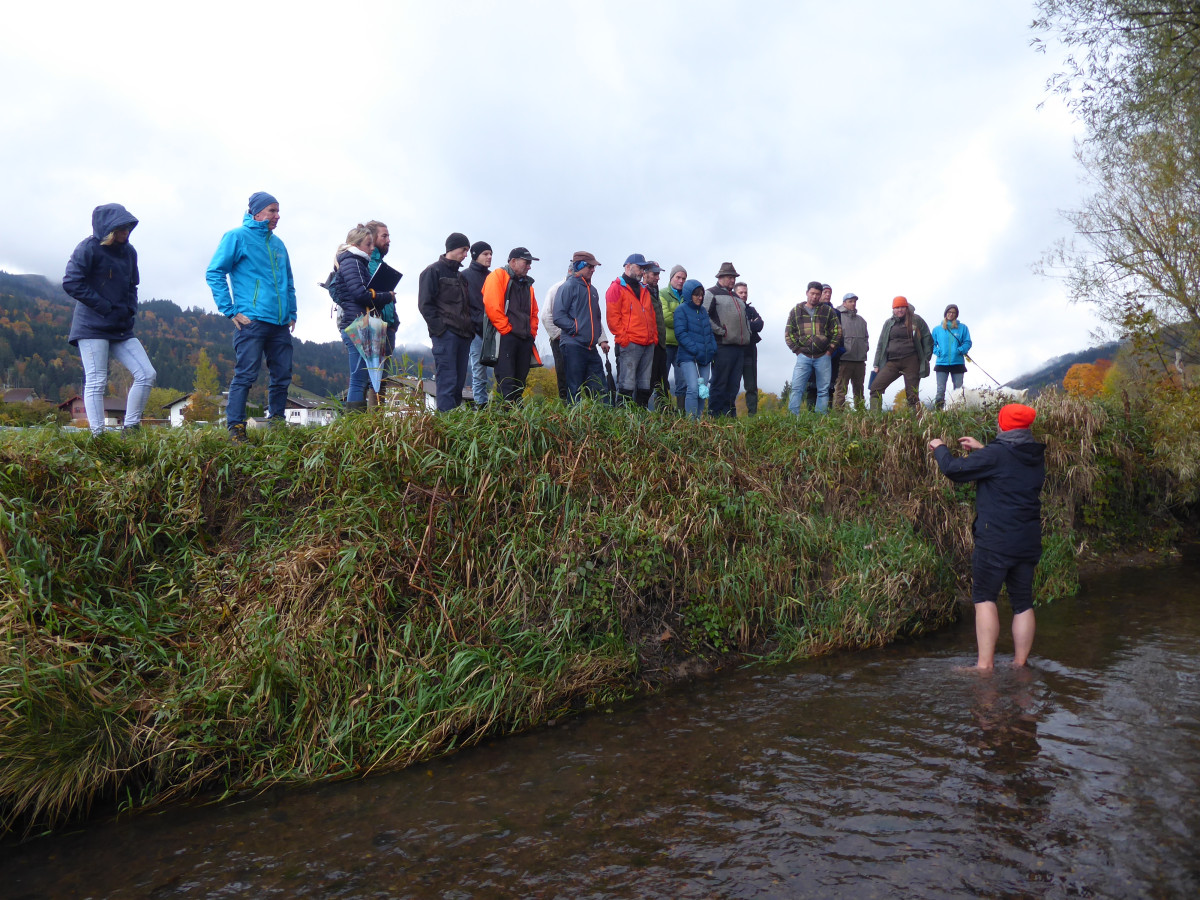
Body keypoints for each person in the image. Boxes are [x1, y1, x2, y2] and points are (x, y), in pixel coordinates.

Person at [928, 404, 1045, 669]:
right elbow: (1008, 465)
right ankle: (1019, 664)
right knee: (1023, 602)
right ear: (1026, 428)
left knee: (984, 598)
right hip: (1027, 540)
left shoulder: (997, 455)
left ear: (1002, 425)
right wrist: (983, 450)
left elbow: (954, 470)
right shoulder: (1034, 454)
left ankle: (984, 667)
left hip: (996, 541)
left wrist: (940, 448)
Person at [206, 192, 296, 443]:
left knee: (282, 376)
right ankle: (236, 428)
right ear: (256, 212)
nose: (277, 216)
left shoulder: (278, 244)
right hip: (252, 320)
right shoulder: (237, 237)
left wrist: (292, 312)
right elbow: (214, 272)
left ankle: (277, 426)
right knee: (246, 374)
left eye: (278, 211)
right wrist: (230, 310)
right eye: (272, 211)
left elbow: (288, 281)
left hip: (280, 323)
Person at [63, 203, 157, 435]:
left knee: (147, 374)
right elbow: (72, 282)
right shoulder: (88, 248)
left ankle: (131, 427)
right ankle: (98, 436)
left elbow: (133, 285)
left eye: (127, 228)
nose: (125, 232)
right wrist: (104, 306)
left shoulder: (129, 252)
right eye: (120, 228)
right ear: (107, 229)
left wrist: (129, 310)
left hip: (120, 326)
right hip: (91, 326)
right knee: (96, 381)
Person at [332, 224, 397, 411]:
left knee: (361, 379)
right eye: (368, 244)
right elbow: (360, 294)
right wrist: (386, 296)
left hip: (359, 323)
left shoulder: (355, 262)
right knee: (358, 380)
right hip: (357, 324)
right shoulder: (352, 262)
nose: (371, 248)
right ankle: (353, 427)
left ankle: (357, 427)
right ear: (356, 244)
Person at [417, 232, 474, 412]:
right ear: (452, 248)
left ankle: (456, 425)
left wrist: (470, 330)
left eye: (467, 251)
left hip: (464, 336)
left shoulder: (461, 277)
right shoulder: (432, 271)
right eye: (463, 249)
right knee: (447, 381)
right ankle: (446, 426)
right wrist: (440, 330)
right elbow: (425, 305)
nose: (466, 254)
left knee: (458, 384)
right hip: (446, 335)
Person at [544, 260, 610, 402]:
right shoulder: (561, 287)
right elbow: (551, 316)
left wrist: (601, 338)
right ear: (577, 268)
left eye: (594, 267)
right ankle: (572, 419)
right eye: (590, 266)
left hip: (590, 345)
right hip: (571, 344)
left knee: (600, 387)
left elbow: (595, 318)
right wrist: (569, 332)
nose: (593, 270)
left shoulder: (592, 290)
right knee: (572, 387)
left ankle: (603, 419)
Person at [483, 247, 540, 404]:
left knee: (519, 383)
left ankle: (515, 420)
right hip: (506, 338)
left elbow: (534, 312)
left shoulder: (528, 285)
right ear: (513, 261)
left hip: (524, 339)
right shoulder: (498, 276)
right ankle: (503, 420)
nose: (529, 266)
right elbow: (492, 306)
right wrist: (506, 331)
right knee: (506, 381)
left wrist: (531, 334)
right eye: (527, 262)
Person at [606, 253, 658, 407]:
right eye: (639, 267)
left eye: (643, 268)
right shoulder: (615, 288)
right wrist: (624, 339)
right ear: (627, 266)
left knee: (644, 384)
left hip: (648, 343)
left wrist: (654, 337)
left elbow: (651, 314)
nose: (642, 271)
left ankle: (640, 419)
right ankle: (623, 419)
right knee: (627, 384)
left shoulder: (644, 289)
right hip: (630, 343)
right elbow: (612, 318)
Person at [785, 280, 842, 415]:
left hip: (823, 356)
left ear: (820, 294)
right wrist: (797, 350)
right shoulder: (796, 311)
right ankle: (793, 418)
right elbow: (788, 333)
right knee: (797, 388)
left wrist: (830, 350)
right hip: (803, 356)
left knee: (823, 390)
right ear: (807, 293)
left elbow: (837, 332)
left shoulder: (828, 311)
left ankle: (820, 419)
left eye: (817, 294)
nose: (815, 296)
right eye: (812, 293)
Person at [704, 261, 753, 417]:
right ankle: (714, 416)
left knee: (733, 385)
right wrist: (720, 331)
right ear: (720, 277)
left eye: (734, 277)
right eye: (729, 277)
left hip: (739, 347)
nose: (732, 280)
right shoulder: (711, 293)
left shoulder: (737, 298)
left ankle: (729, 417)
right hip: (722, 346)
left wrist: (748, 333)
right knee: (719, 383)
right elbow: (704, 316)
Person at [870, 296, 932, 411]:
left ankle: (915, 423)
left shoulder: (916, 320)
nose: (900, 310)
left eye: (902, 307)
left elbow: (927, 338)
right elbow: (881, 344)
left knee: (912, 395)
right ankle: (875, 420)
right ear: (893, 309)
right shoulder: (888, 323)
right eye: (897, 307)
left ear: (906, 307)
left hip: (911, 361)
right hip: (892, 362)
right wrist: (876, 364)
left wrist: (925, 358)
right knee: (875, 388)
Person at [673, 278, 718, 418]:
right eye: (696, 294)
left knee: (702, 391)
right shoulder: (681, 310)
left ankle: (698, 421)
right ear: (688, 294)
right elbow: (681, 333)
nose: (700, 297)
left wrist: (712, 349)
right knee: (692, 388)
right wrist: (695, 350)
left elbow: (709, 332)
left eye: (701, 294)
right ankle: (690, 424)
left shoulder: (703, 311)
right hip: (687, 357)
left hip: (705, 357)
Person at [364, 220, 395, 407]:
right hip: (372, 323)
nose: (389, 240)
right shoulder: (365, 262)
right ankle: (365, 425)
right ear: (372, 238)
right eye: (384, 236)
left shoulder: (381, 263)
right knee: (370, 376)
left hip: (388, 323)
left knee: (383, 377)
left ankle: (378, 424)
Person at [463, 241, 494, 405]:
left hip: (494, 330)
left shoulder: (493, 277)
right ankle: (481, 409)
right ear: (475, 256)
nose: (489, 257)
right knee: (479, 373)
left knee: (500, 372)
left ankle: (501, 409)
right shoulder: (464, 276)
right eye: (485, 254)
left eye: (491, 254)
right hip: (475, 332)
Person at [641, 261, 671, 410]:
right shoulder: (641, 292)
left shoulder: (655, 292)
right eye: (655, 274)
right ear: (644, 274)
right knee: (648, 382)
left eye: (658, 274)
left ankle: (664, 415)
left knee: (662, 383)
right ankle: (640, 414)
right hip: (649, 345)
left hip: (660, 344)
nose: (658, 277)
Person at [932, 303, 973, 409]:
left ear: (956, 315)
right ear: (945, 313)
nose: (951, 314)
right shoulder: (937, 329)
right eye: (949, 312)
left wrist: (961, 350)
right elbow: (931, 344)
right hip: (941, 363)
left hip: (958, 362)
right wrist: (937, 352)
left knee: (958, 390)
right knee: (940, 390)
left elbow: (967, 342)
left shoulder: (963, 328)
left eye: (953, 313)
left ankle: (958, 412)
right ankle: (939, 413)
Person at [833, 292, 869, 409]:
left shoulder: (862, 320)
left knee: (859, 390)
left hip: (860, 361)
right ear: (844, 303)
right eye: (850, 301)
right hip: (844, 360)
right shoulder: (838, 316)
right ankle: (838, 417)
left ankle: (860, 416)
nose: (853, 304)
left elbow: (866, 337)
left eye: (854, 301)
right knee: (840, 390)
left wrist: (865, 349)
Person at [736, 281, 765, 415]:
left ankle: (752, 416)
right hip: (735, 351)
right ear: (735, 293)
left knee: (751, 386)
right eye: (741, 292)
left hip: (750, 351)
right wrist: (750, 324)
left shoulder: (751, 310)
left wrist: (746, 325)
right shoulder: (732, 308)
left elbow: (760, 324)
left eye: (745, 292)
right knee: (733, 385)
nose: (743, 295)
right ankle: (729, 415)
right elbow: (737, 327)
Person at [661, 265, 688, 410]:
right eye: (678, 277)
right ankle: (664, 412)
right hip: (665, 343)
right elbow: (665, 317)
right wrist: (683, 321)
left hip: (681, 345)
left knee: (682, 380)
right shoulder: (662, 294)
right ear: (671, 278)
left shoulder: (688, 296)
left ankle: (681, 414)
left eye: (684, 278)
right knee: (662, 379)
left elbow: (691, 317)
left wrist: (677, 317)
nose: (681, 281)